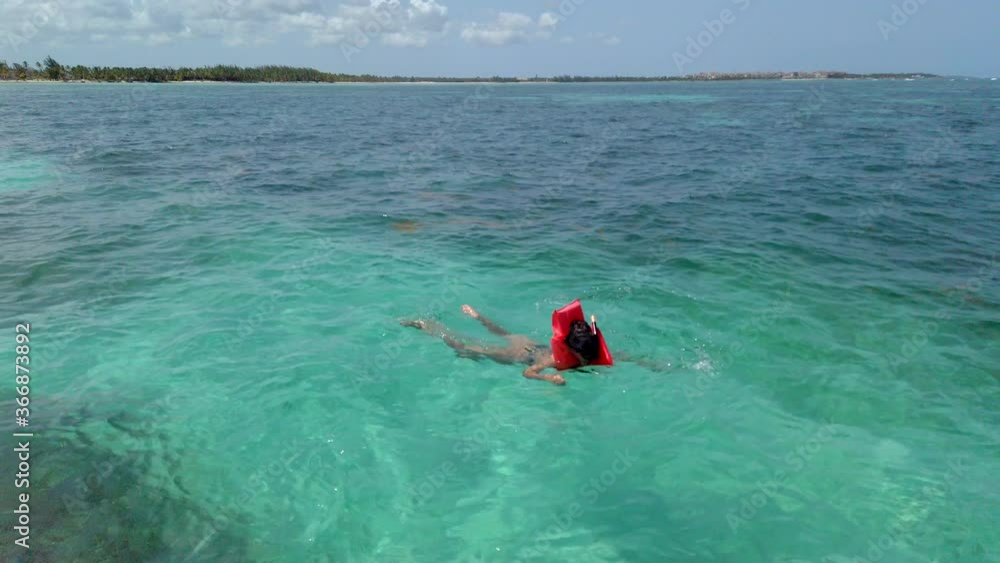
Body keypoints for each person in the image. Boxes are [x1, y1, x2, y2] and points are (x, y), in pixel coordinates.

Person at [401, 304, 606, 385]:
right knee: (466, 348)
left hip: (530, 343)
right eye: (584, 357)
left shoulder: (589, 347)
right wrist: (548, 378)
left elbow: (613, 356)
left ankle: (477, 316)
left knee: (503, 332)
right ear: (571, 350)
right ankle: (427, 327)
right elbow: (527, 372)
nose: (587, 360)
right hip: (520, 354)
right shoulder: (555, 359)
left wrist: (638, 360)